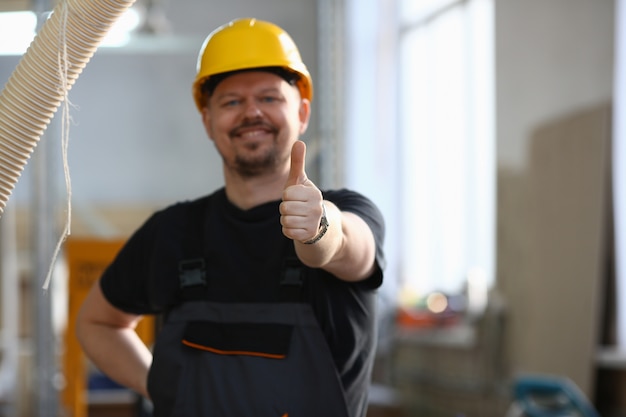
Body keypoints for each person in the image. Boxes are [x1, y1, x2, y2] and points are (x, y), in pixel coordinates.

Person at [76, 17, 385, 417]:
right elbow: (97, 323)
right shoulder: (172, 232)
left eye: (270, 98)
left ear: (303, 111)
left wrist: (317, 227)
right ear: (208, 121)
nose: (251, 112)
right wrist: (165, 387)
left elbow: (348, 247)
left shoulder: (351, 211)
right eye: (231, 101)